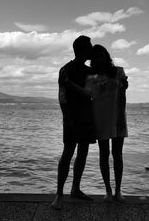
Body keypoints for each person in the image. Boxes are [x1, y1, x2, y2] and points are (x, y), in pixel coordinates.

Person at [51, 35, 96, 210]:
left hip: (86, 116)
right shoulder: (66, 69)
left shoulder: (88, 71)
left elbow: (89, 94)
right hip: (72, 117)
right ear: (82, 50)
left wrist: (70, 84)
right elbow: (62, 97)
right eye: (89, 47)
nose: (91, 50)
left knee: (83, 152)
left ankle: (75, 188)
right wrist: (67, 117)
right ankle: (59, 194)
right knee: (68, 152)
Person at [85, 44, 128, 202]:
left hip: (117, 118)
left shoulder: (118, 72)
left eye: (101, 54)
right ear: (93, 59)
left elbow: (123, 95)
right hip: (100, 118)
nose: (99, 58)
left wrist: (121, 116)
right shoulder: (90, 77)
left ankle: (118, 190)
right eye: (96, 56)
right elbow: (86, 96)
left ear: (106, 55)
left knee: (118, 154)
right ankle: (108, 191)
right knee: (104, 155)